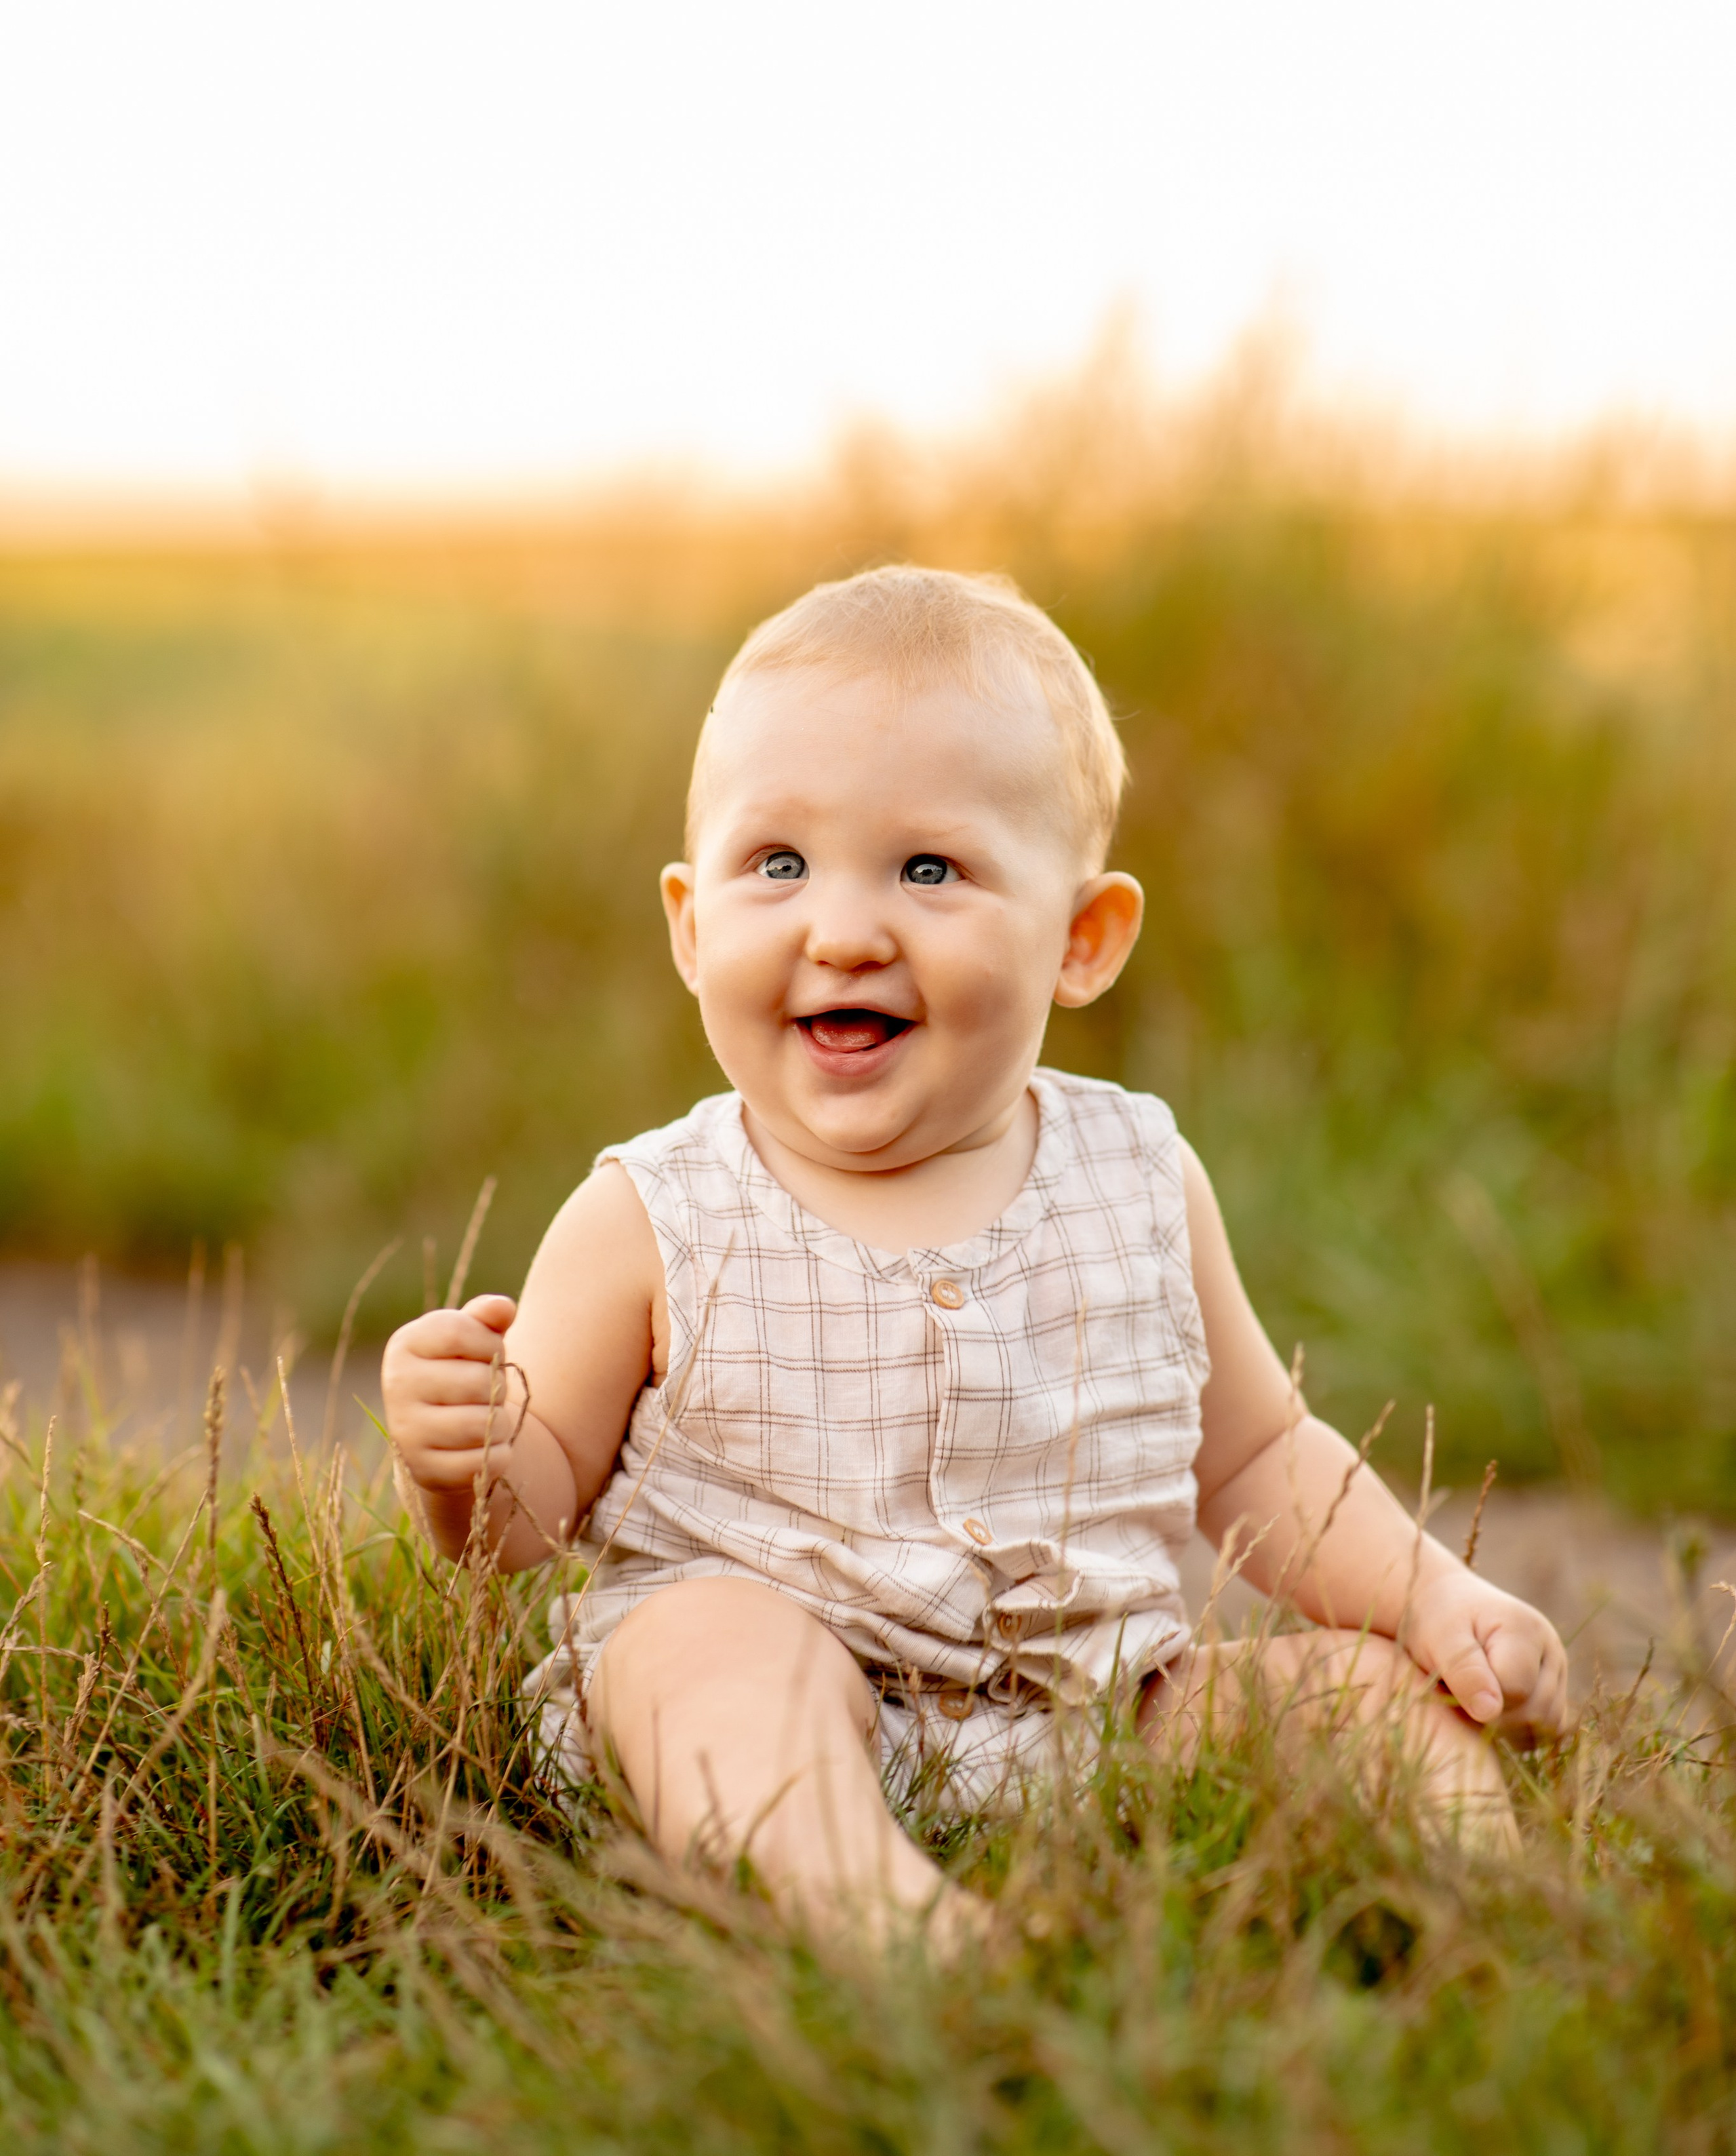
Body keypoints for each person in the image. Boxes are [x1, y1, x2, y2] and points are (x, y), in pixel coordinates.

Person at [380, 565, 1566, 1944]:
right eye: (776, 864)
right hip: (786, 1706)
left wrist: (1431, 1596)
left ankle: (1502, 1922)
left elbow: (1252, 1461)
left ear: (1080, 939)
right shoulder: (656, 1213)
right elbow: (519, 1527)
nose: (841, 928)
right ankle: (887, 1929)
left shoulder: (1136, 1180)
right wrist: (459, 1454)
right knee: (703, 1649)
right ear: (691, 926)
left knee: (1361, 1700)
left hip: (1104, 1721)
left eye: (928, 868)